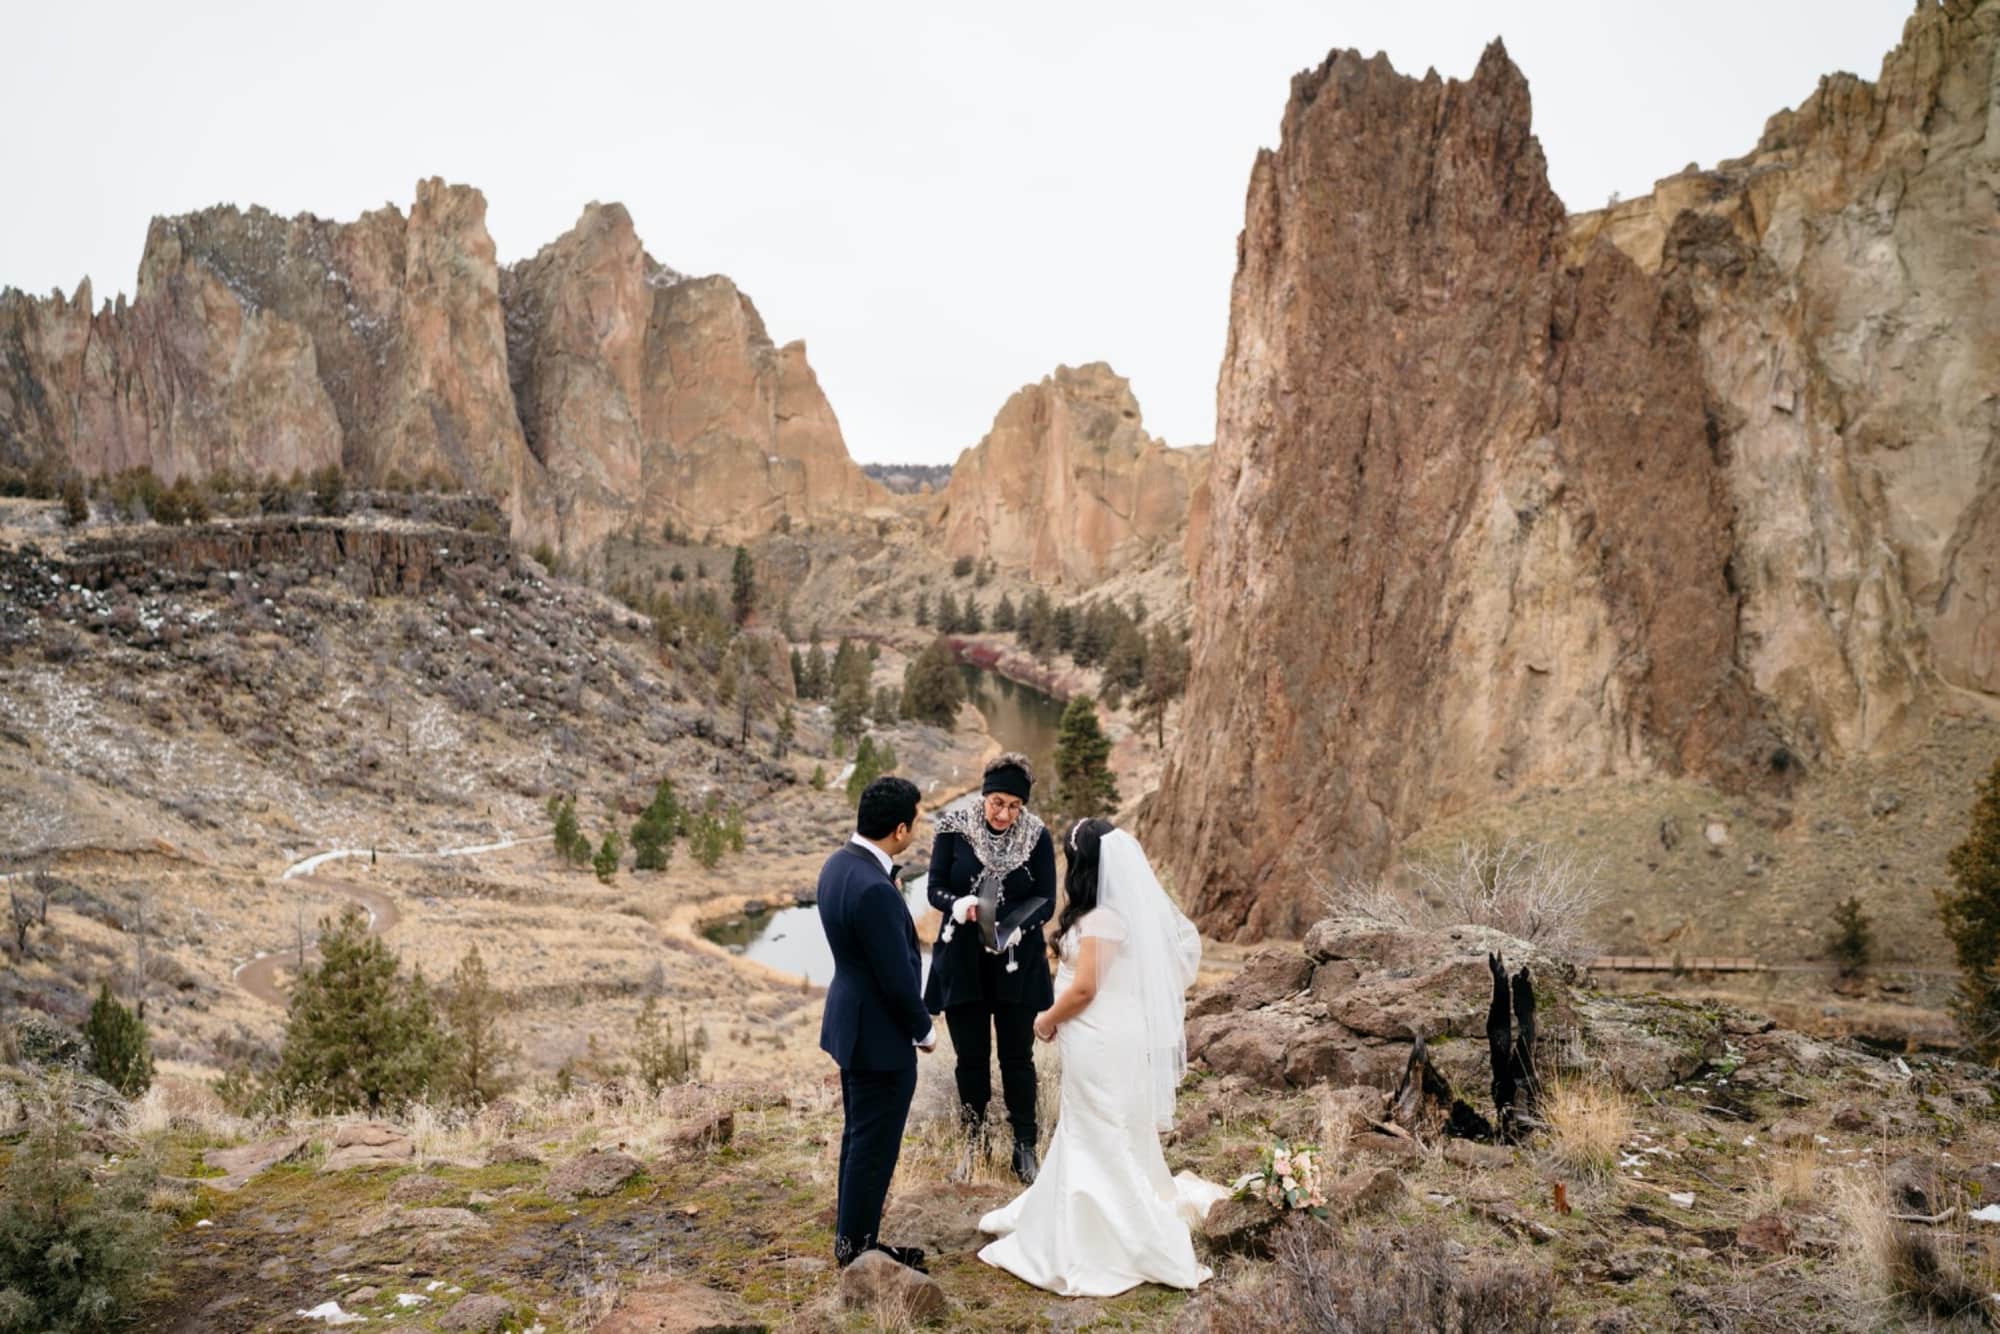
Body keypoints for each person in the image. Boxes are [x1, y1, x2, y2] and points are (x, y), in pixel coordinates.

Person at [976, 818, 1227, 1297]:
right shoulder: (1109, 913)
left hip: (1099, 1039)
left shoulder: (1103, 919)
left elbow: (1087, 987)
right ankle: (1082, 1208)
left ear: (1083, 865)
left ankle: (1109, 1233)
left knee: (1098, 1126)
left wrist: (1047, 1018)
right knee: (1098, 1124)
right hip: (1107, 1035)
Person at [817, 775, 935, 1271]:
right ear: (901, 829)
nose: (919, 826)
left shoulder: (839, 865)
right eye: (917, 819)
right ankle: (858, 1253)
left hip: (852, 1023)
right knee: (874, 1146)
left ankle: (854, 1239)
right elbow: (894, 975)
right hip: (880, 1036)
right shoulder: (874, 889)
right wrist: (923, 1030)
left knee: (859, 1137)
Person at [922, 752, 1057, 1184]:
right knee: (971, 1059)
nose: (1005, 813)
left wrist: (1018, 925)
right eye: (998, 802)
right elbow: (934, 888)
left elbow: (1048, 899)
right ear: (984, 795)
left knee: (1018, 1058)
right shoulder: (952, 829)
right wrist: (956, 904)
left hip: (1015, 961)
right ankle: (974, 1144)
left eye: (1015, 806)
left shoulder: (1036, 836)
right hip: (963, 961)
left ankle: (1024, 1147)